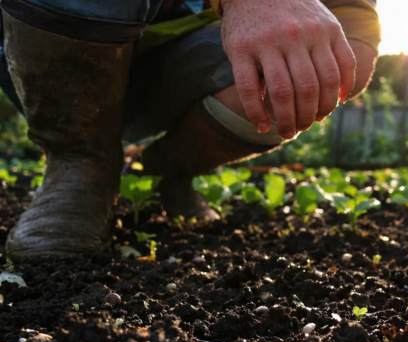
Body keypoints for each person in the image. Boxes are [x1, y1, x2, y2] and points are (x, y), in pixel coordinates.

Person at [0, 0, 381, 261]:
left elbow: (355, 35)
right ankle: (80, 161)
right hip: (46, 37)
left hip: (175, 67)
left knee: (316, 62)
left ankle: (162, 169)